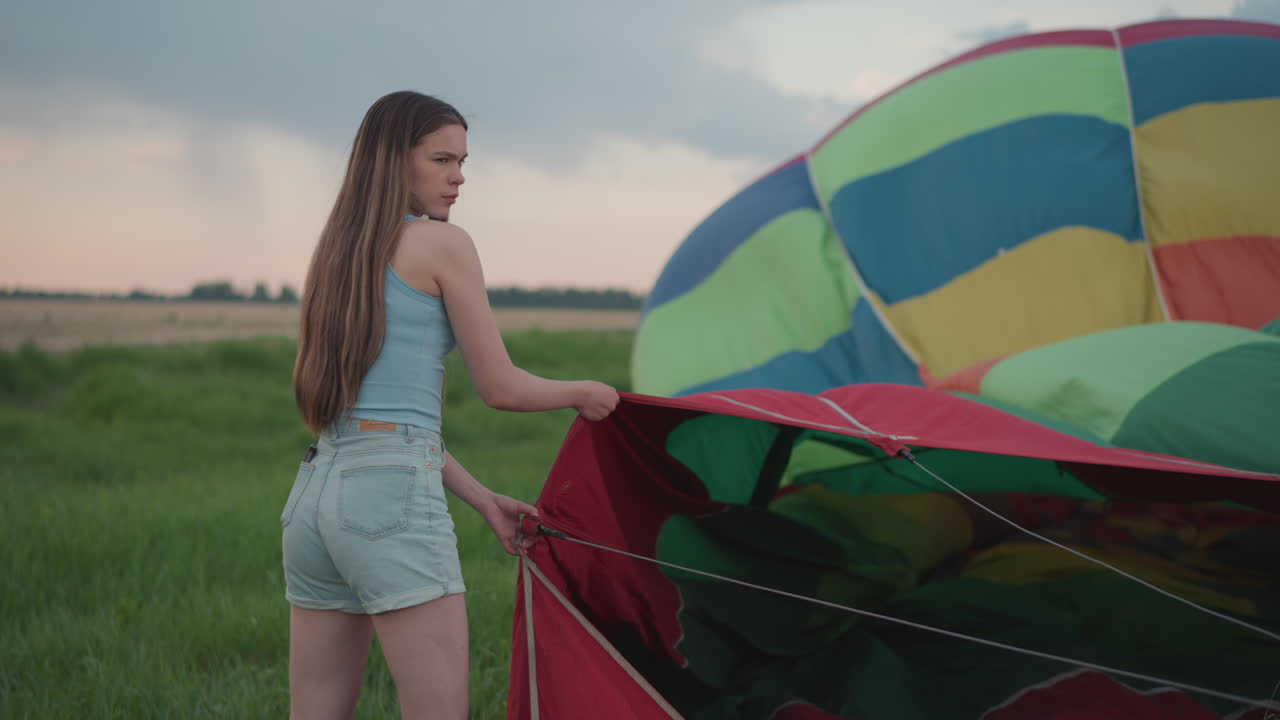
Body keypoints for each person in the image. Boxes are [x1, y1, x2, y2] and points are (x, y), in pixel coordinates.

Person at [281, 90, 619, 720]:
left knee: (316, 710)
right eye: (442, 159)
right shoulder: (444, 245)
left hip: (312, 499)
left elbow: (378, 424)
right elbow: (502, 387)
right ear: (393, 160)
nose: (459, 177)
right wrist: (583, 392)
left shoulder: (335, 254)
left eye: (463, 161)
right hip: (389, 504)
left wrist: (482, 498)